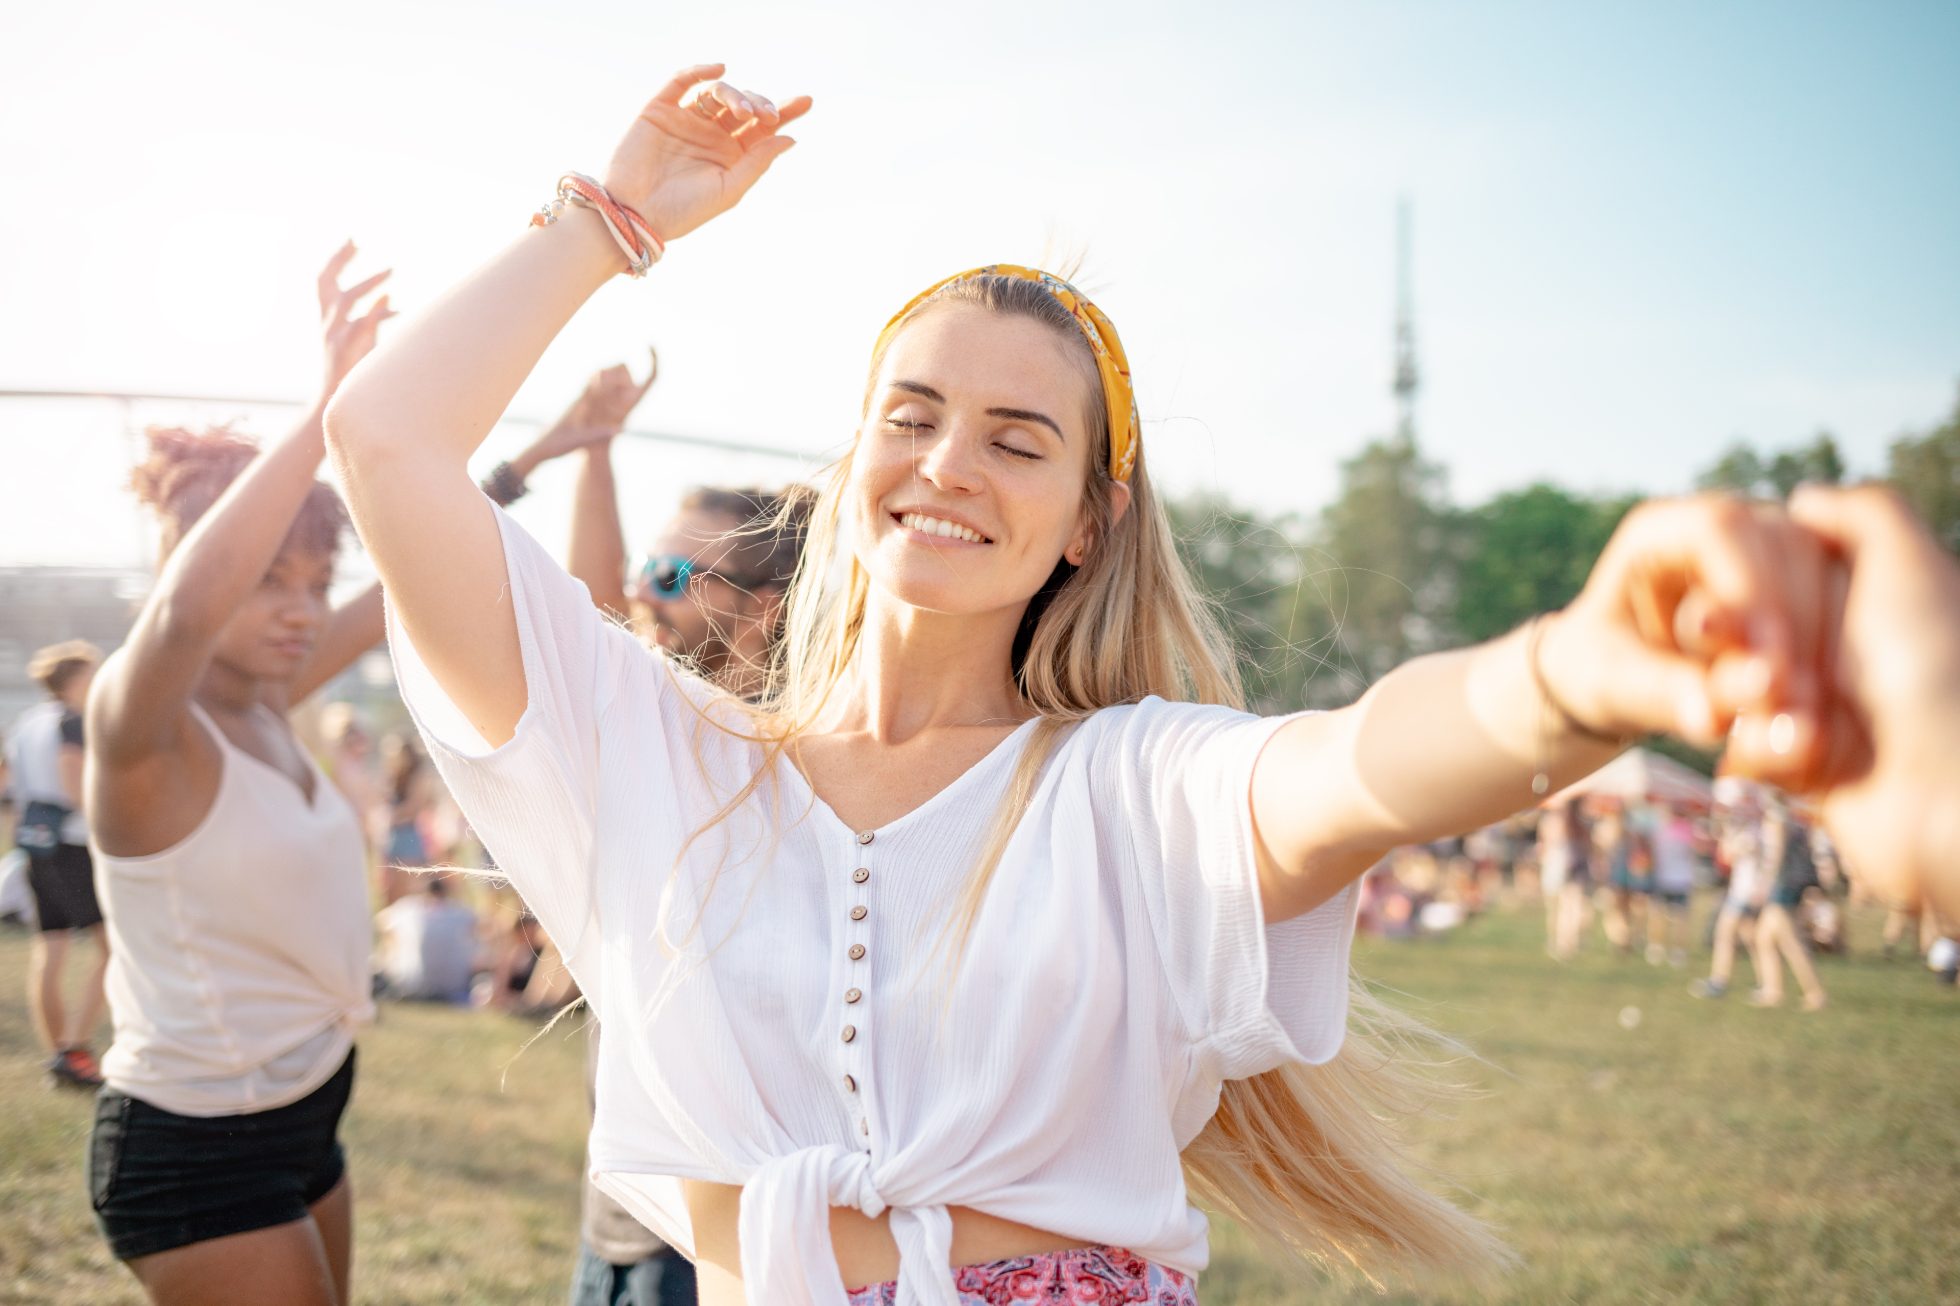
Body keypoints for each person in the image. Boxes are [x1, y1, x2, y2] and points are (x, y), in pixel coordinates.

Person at [325, 66, 1846, 1304]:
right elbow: (386, 437)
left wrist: (1574, 670)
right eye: (910, 415)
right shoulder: (655, 746)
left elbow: (1365, 765)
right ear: (852, 457)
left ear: (1091, 518)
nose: (946, 465)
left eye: (1017, 436)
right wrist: (611, 220)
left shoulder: (1131, 777)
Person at [82, 244, 392, 1306]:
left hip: (307, 1109)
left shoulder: (268, 697)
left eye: (314, 578)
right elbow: (183, 613)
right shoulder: (141, 730)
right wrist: (320, 411)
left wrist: (541, 460)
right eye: (271, 580)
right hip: (198, 1148)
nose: (302, 607)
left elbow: (403, 575)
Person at [5, 639, 110, 1087]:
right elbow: (73, 776)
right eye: (93, 673)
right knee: (112, 950)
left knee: (51, 948)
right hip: (71, 843)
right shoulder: (73, 720)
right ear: (74, 679)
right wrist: (98, 818)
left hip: (35, 842)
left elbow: (7, 780)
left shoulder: (27, 722)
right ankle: (76, 1047)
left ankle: (59, 1055)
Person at [1746, 803, 1828, 1011]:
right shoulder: (1786, 819)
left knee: (1790, 941)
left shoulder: (1777, 820)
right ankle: (1773, 991)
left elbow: (1776, 857)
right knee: (1763, 938)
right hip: (1783, 886)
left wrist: (1763, 886)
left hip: (1781, 887)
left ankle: (1815, 993)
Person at [374, 872, 479, 1003]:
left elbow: (380, 921)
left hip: (411, 984)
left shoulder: (408, 908)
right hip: (455, 985)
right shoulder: (461, 912)